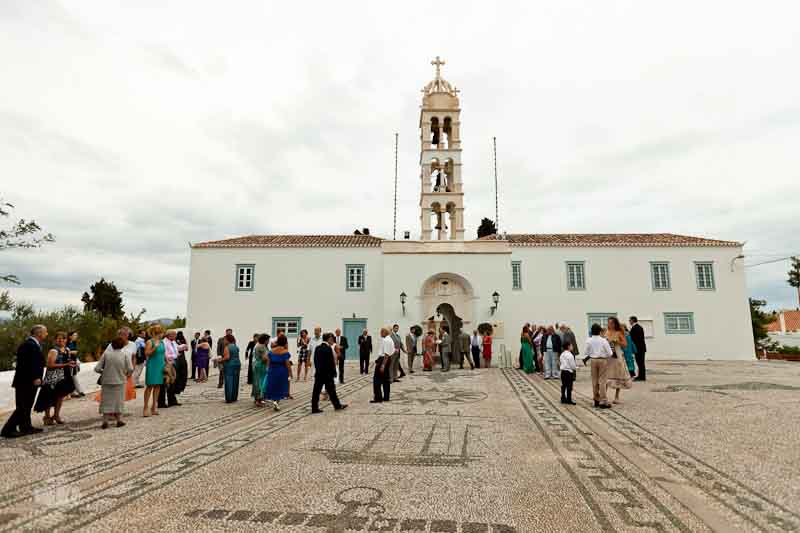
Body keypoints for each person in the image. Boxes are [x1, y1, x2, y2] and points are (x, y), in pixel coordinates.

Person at [2, 326, 47, 438]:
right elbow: (28, 364)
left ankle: (26, 426)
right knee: (22, 406)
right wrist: (35, 377)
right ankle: (8, 429)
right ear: (39, 333)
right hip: (26, 382)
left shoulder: (32, 344)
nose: (46, 334)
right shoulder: (29, 345)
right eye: (45, 332)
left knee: (26, 406)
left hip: (27, 381)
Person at [34, 331, 76, 425]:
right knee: (49, 397)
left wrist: (71, 364)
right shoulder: (53, 351)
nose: (61, 340)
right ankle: (47, 417)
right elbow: (49, 365)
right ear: (56, 340)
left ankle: (56, 415)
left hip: (64, 376)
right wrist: (66, 364)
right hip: (52, 377)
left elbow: (67, 361)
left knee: (60, 396)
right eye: (59, 338)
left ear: (66, 340)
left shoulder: (67, 350)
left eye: (63, 338)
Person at [95, 333, 134, 428]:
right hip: (120, 380)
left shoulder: (106, 355)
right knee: (119, 400)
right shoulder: (125, 355)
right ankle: (119, 420)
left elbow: (97, 368)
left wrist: (104, 372)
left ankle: (105, 421)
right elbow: (130, 368)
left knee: (106, 400)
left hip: (107, 380)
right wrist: (126, 374)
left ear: (112, 344)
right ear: (123, 345)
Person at [311, 333, 347, 413]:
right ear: (329, 339)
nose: (332, 340)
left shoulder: (317, 348)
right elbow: (331, 362)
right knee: (332, 391)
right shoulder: (328, 348)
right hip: (327, 374)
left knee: (316, 391)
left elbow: (315, 361)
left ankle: (314, 407)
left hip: (319, 373)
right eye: (332, 339)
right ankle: (337, 406)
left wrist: (317, 370)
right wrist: (334, 372)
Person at [585, 323, 613, 409]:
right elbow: (610, 353)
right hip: (602, 360)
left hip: (593, 360)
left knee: (594, 380)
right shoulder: (603, 340)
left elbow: (586, 352)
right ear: (600, 331)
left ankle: (596, 399)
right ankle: (603, 400)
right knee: (602, 381)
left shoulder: (588, 340)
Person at [605, 317, 632, 404]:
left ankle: (617, 397)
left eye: (611, 323)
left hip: (617, 354)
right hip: (608, 355)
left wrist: (617, 342)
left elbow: (625, 345)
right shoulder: (606, 332)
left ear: (615, 324)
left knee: (618, 375)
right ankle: (603, 395)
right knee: (605, 375)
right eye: (609, 323)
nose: (610, 324)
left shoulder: (619, 332)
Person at [143, 324, 166, 417]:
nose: (162, 334)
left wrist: (167, 362)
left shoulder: (162, 342)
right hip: (152, 366)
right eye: (161, 332)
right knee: (150, 386)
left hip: (161, 365)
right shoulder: (150, 342)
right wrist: (154, 347)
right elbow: (147, 353)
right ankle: (145, 407)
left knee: (158, 386)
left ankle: (154, 406)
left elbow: (163, 354)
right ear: (157, 333)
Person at [265, 334, 291, 411]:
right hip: (281, 371)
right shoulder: (285, 352)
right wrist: (290, 373)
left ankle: (274, 400)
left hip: (272, 370)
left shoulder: (271, 351)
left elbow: (268, 363)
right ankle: (276, 401)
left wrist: (267, 371)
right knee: (280, 387)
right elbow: (287, 364)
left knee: (273, 386)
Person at [158, 330, 183, 409]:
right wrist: (171, 357)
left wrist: (181, 348)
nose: (175, 336)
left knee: (173, 382)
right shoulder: (164, 342)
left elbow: (176, 349)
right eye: (174, 335)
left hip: (174, 362)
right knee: (165, 382)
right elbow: (164, 353)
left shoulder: (173, 342)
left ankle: (172, 400)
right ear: (169, 335)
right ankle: (161, 402)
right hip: (167, 363)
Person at [371, 328, 393, 403]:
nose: (380, 334)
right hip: (386, 359)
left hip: (383, 359)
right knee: (385, 379)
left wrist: (383, 365)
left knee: (376, 379)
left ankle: (378, 398)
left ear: (384, 332)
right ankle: (386, 397)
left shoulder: (386, 340)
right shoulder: (390, 339)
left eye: (381, 332)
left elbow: (386, 354)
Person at [222, 334, 241, 403]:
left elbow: (227, 357)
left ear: (227, 340)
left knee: (229, 381)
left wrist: (220, 360)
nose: (223, 341)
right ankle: (234, 397)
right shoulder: (236, 346)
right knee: (235, 381)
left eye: (224, 340)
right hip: (237, 364)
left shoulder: (227, 347)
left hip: (229, 365)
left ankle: (229, 398)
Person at [66, 332, 85, 398]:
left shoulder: (74, 343)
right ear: (70, 336)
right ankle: (74, 392)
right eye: (74, 335)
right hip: (69, 362)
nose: (76, 336)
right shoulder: (66, 343)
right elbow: (65, 352)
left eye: (76, 335)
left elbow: (75, 352)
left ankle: (78, 391)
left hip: (74, 362)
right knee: (71, 377)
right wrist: (71, 352)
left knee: (74, 376)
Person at [251, 334, 268, 406]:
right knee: (260, 382)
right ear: (265, 340)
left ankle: (258, 398)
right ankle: (258, 399)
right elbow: (264, 358)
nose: (268, 341)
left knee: (257, 382)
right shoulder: (261, 346)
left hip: (257, 365)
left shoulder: (258, 345)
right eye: (267, 340)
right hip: (260, 365)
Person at [629, 316, 647, 381]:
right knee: (640, 363)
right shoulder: (638, 327)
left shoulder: (635, 328)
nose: (629, 322)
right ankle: (641, 376)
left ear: (633, 320)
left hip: (639, 349)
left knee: (640, 363)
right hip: (640, 348)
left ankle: (642, 377)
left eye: (630, 320)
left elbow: (635, 339)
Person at [560, 340, 577, 405]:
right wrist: (576, 368)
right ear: (568, 346)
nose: (572, 346)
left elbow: (561, 362)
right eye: (571, 345)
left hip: (563, 372)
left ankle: (563, 398)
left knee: (564, 385)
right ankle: (569, 399)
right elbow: (572, 365)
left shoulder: (562, 354)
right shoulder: (570, 355)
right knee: (569, 386)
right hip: (569, 372)